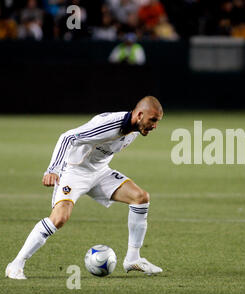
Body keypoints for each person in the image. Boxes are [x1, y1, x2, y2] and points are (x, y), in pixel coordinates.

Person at [5, 96, 164, 280]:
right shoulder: (110, 124)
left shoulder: (135, 129)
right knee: (59, 218)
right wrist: (53, 169)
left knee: (141, 198)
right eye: (153, 120)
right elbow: (68, 137)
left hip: (99, 173)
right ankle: (16, 264)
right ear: (140, 114)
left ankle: (132, 258)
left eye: (157, 122)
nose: (154, 126)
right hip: (74, 171)